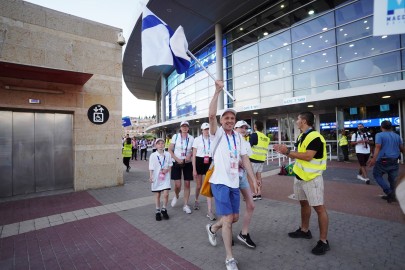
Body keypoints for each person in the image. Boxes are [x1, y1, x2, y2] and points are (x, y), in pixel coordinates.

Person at [205, 80, 258, 270]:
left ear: (235, 122)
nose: (229, 120)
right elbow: (211, 115)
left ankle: (212, 228)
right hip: (219, 183)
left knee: (234, 217)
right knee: (228, 220)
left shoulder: (239, 138)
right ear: (221, 121)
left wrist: (252, 180)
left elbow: (245, 160)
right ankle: (229, 258)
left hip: (235, 182)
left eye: (232, 118)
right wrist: (217, 91)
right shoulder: (217, 134)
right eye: (226, 118)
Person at [274, 111, 330, 255]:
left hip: (312, 179)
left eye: (298, 119)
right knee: (303, 203)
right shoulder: (301, 135)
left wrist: (287, 152)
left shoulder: (315, 137)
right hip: (300, 177)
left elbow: (307, 156)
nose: (296, 121)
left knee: (319, 208)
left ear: (304, 121)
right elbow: (298, 153)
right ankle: (304, 230)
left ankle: (323, 241)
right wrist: (285, 151)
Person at [367, 120, 405, 203]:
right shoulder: (397, 136)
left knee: (377, 175)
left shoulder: (379, 135)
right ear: (391, 127)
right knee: (392, 179)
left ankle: (389, 192)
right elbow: (402, 148)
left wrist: (373, 159)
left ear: (381, 127)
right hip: (394, 160)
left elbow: (378, 147)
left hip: (383, 160)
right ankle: (393, 196)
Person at [234, 120, 257, 248]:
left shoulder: (247, 144)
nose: (243, 130)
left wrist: (253, 179)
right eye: (240, 127)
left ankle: (244, 233)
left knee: (251, 205)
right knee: (231, 212)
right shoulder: (228, 142)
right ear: (235, 129)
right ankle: (219, 230)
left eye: (245, 128)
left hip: (242, 178)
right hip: (230, 179)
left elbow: (248, 163)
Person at [168, 121, 194, 214]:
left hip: (187, 162)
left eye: (186, 126)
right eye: (183, 126)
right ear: (180, 128)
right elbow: (170, 150)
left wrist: (189, 155)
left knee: (187, 184)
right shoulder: (175, 137)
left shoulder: (191, 138)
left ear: (188, 128)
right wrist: (177, 159)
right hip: (176, 161)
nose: (185, 128)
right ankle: (176, 195)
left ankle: (186, 205)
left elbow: (192, 150)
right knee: (177, 185)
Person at [192, 122, 216, 220]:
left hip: (209, 162)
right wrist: (194, 168)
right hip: (199, 161)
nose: (207, 131)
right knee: (198, 185)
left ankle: (209, 211)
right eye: (205, 129)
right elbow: (193, 155)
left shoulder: (213, 139)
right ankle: (196, 200)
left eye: (208, 129)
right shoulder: (197, 140)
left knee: (208, 185)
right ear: (202, 130)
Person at [149, 138, 173, 221]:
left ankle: (164, 209)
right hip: (156, 177)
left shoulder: (168, 154)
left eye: (162, 143)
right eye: (158, 143)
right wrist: (151, 176)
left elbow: (170, 164)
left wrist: (167, 170)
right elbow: (151, 167)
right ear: (156, 145)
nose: (160, 145)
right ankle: (157, 211)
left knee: (166, 194)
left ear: (164, 145)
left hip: (165, 177)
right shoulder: (153, 155)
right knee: (158, 195)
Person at [249, 120, 270, 200]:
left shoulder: (254, 135)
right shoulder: (266, 138)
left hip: (253, 159)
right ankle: (259, 193)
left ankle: (254, 193)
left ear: (255, 127)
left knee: (251, 177)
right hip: (262, 160)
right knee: (259, 177)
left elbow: (249, 146)